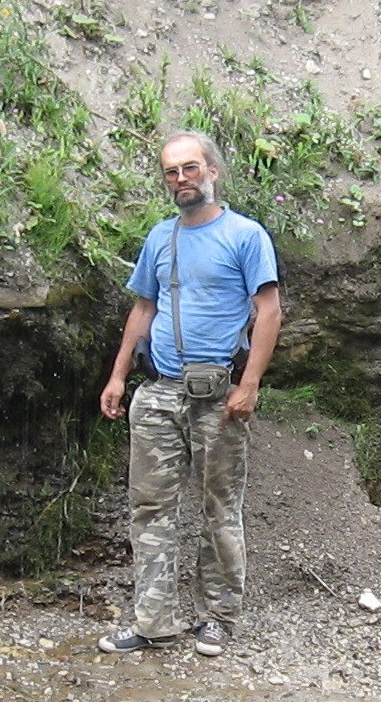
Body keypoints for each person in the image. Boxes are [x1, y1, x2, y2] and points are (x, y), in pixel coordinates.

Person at [96, 131, 282, 656]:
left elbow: (269, 311)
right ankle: (153, 621)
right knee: (149, 507)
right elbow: (143, 309)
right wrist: (117, 376)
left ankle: (217, 617)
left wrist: (249, 385)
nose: (181, 179)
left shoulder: (245, 235)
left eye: (190, 168)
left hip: (217, 395)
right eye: (172, 171)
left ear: (212, 171)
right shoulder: (161, 237)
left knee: (218, 507)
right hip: (158, 391)